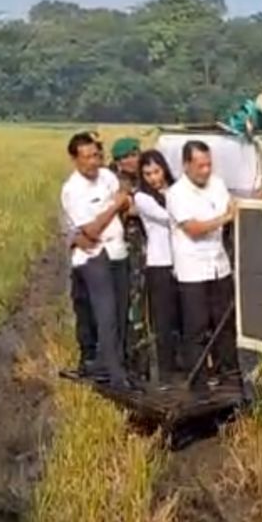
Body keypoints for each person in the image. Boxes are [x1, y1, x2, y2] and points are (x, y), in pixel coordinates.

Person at [61, 132, 131, 388]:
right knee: (106, 315)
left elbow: (124, 200)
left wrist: (121, 203)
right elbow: (90, 230)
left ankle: (116, 364)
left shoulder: (107, 177)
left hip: (117, 251)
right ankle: (115, 376)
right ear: (74, 159)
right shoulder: (73, 190)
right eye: (88, 157)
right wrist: (114, 206)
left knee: (122, 312)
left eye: (97, 155)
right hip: (93, 256)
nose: (94, 162)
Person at [166, 140, 239, 388]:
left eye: (208, 165)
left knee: (224, 324)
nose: (206, 171)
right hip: (193, 270)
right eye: (200, 166)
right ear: (186, 165)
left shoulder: (217, 184)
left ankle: (228, 374)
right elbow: (194, 229)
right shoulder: (177, 193)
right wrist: (224, 218)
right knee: (196, 328)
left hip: (219, 265)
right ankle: (198, 380)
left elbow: (232, 205)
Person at [133, 150, 182, 386]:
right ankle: (166, 372)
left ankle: (183, 366)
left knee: (182, 319)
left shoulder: (175, 191)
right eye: (148, 174)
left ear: (164, 169)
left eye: (157, 171)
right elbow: (171, 218)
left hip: (182, 263)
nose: (154, 178)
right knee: (163, 321)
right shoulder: (142, 198)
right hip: (159, 263)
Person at [110, 137, 151, 379]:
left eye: (135, 154)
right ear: (117, 161)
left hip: (147, 251)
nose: (132, 160)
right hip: (126, 251)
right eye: (126, 156)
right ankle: (131, 363)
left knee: (146, 306)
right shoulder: (115, 184)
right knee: (131, 306)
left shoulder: (144, 179)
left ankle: (142, 362)